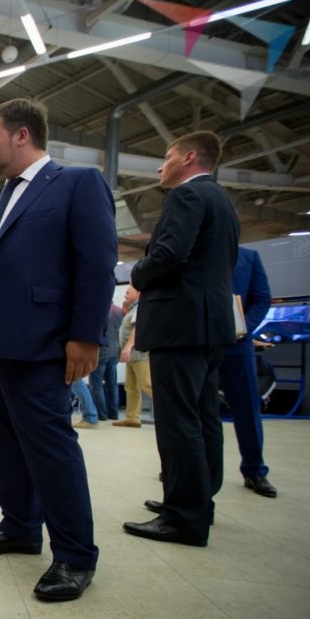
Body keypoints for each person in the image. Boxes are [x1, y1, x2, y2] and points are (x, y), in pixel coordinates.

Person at [0, 98, 117, 601]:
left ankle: (74, 555)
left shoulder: (75, 183)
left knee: (51, 446)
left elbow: (96, 262)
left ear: (22, 136)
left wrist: (86, 336)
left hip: (41, 342)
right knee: (11, 442)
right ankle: (20, 526)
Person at [123, 131, 240, 548]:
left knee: (177, 422)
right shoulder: (222, 201)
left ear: (189, 158)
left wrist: (137, 275)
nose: (160, 166)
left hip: (180, 326)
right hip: (209, 327)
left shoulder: (187, 197)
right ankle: (197, 500)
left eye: (167, 157)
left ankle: (184, 517)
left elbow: (170, 254)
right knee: (204, 416)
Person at [221, 247, 276, 497]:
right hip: (199, 344)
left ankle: (255, 471)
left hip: (237, 345)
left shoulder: (248, 257)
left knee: (247, 409)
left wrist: (243, 326)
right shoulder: (195, 250)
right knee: (196, 411)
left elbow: (262, 298)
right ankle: (186, 470)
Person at [114, 284, 152, 428]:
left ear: (138, 294)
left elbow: (137, 328)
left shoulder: (140, 308)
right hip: (132, 356)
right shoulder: (133, 309)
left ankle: (173, 413)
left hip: (138, 354)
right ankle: (132, 418)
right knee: (131, 386)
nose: (125, 295)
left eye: (128, 292)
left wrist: (128, 347)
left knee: (147, 384)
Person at [89, 303, 124, 420]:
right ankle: (113, 414)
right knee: (112, 385)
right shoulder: (119, 310)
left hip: (101, 352)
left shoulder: (99, 309)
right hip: (114, 351)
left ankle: (102, 415)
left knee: (96, 384)